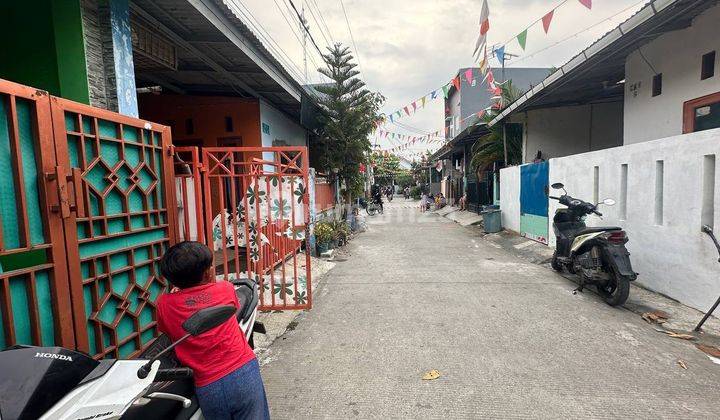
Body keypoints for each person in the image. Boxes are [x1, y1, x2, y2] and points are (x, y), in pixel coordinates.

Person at [157, 241, 270, 420]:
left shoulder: (164, 304)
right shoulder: (225, 289)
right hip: (244, 371)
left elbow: (168, 331)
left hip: (208, 384)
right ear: (208, 272)